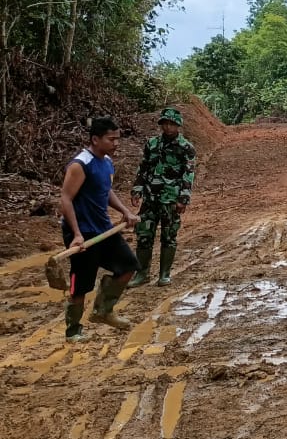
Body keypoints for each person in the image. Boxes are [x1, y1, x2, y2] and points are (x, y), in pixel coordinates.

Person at [59, 117, 140, 340]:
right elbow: (66, 199)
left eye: (117, 139)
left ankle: (103, 311)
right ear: (95, 139)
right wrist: (76, 234)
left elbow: (105, 191)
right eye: (111, 139)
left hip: (103, 230)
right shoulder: (80, 164)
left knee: (128, 266)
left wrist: (125, 211)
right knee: (81, 284)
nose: (116, 144)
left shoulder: (106, 162)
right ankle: (73, 330)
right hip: (83, 234)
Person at [128, 107, 197, 288]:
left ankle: (164, 274)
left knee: (169, 235)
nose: (167, 127)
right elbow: (143, 168)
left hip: (171, 199)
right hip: (150, 198)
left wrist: (183, 198)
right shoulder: (152, 144)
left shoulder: (186, 148)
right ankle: (141, 273)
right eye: (165, 123)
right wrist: (137, 189)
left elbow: (188, 175)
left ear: (178, 126)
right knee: (144, 234)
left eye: (171, 124)